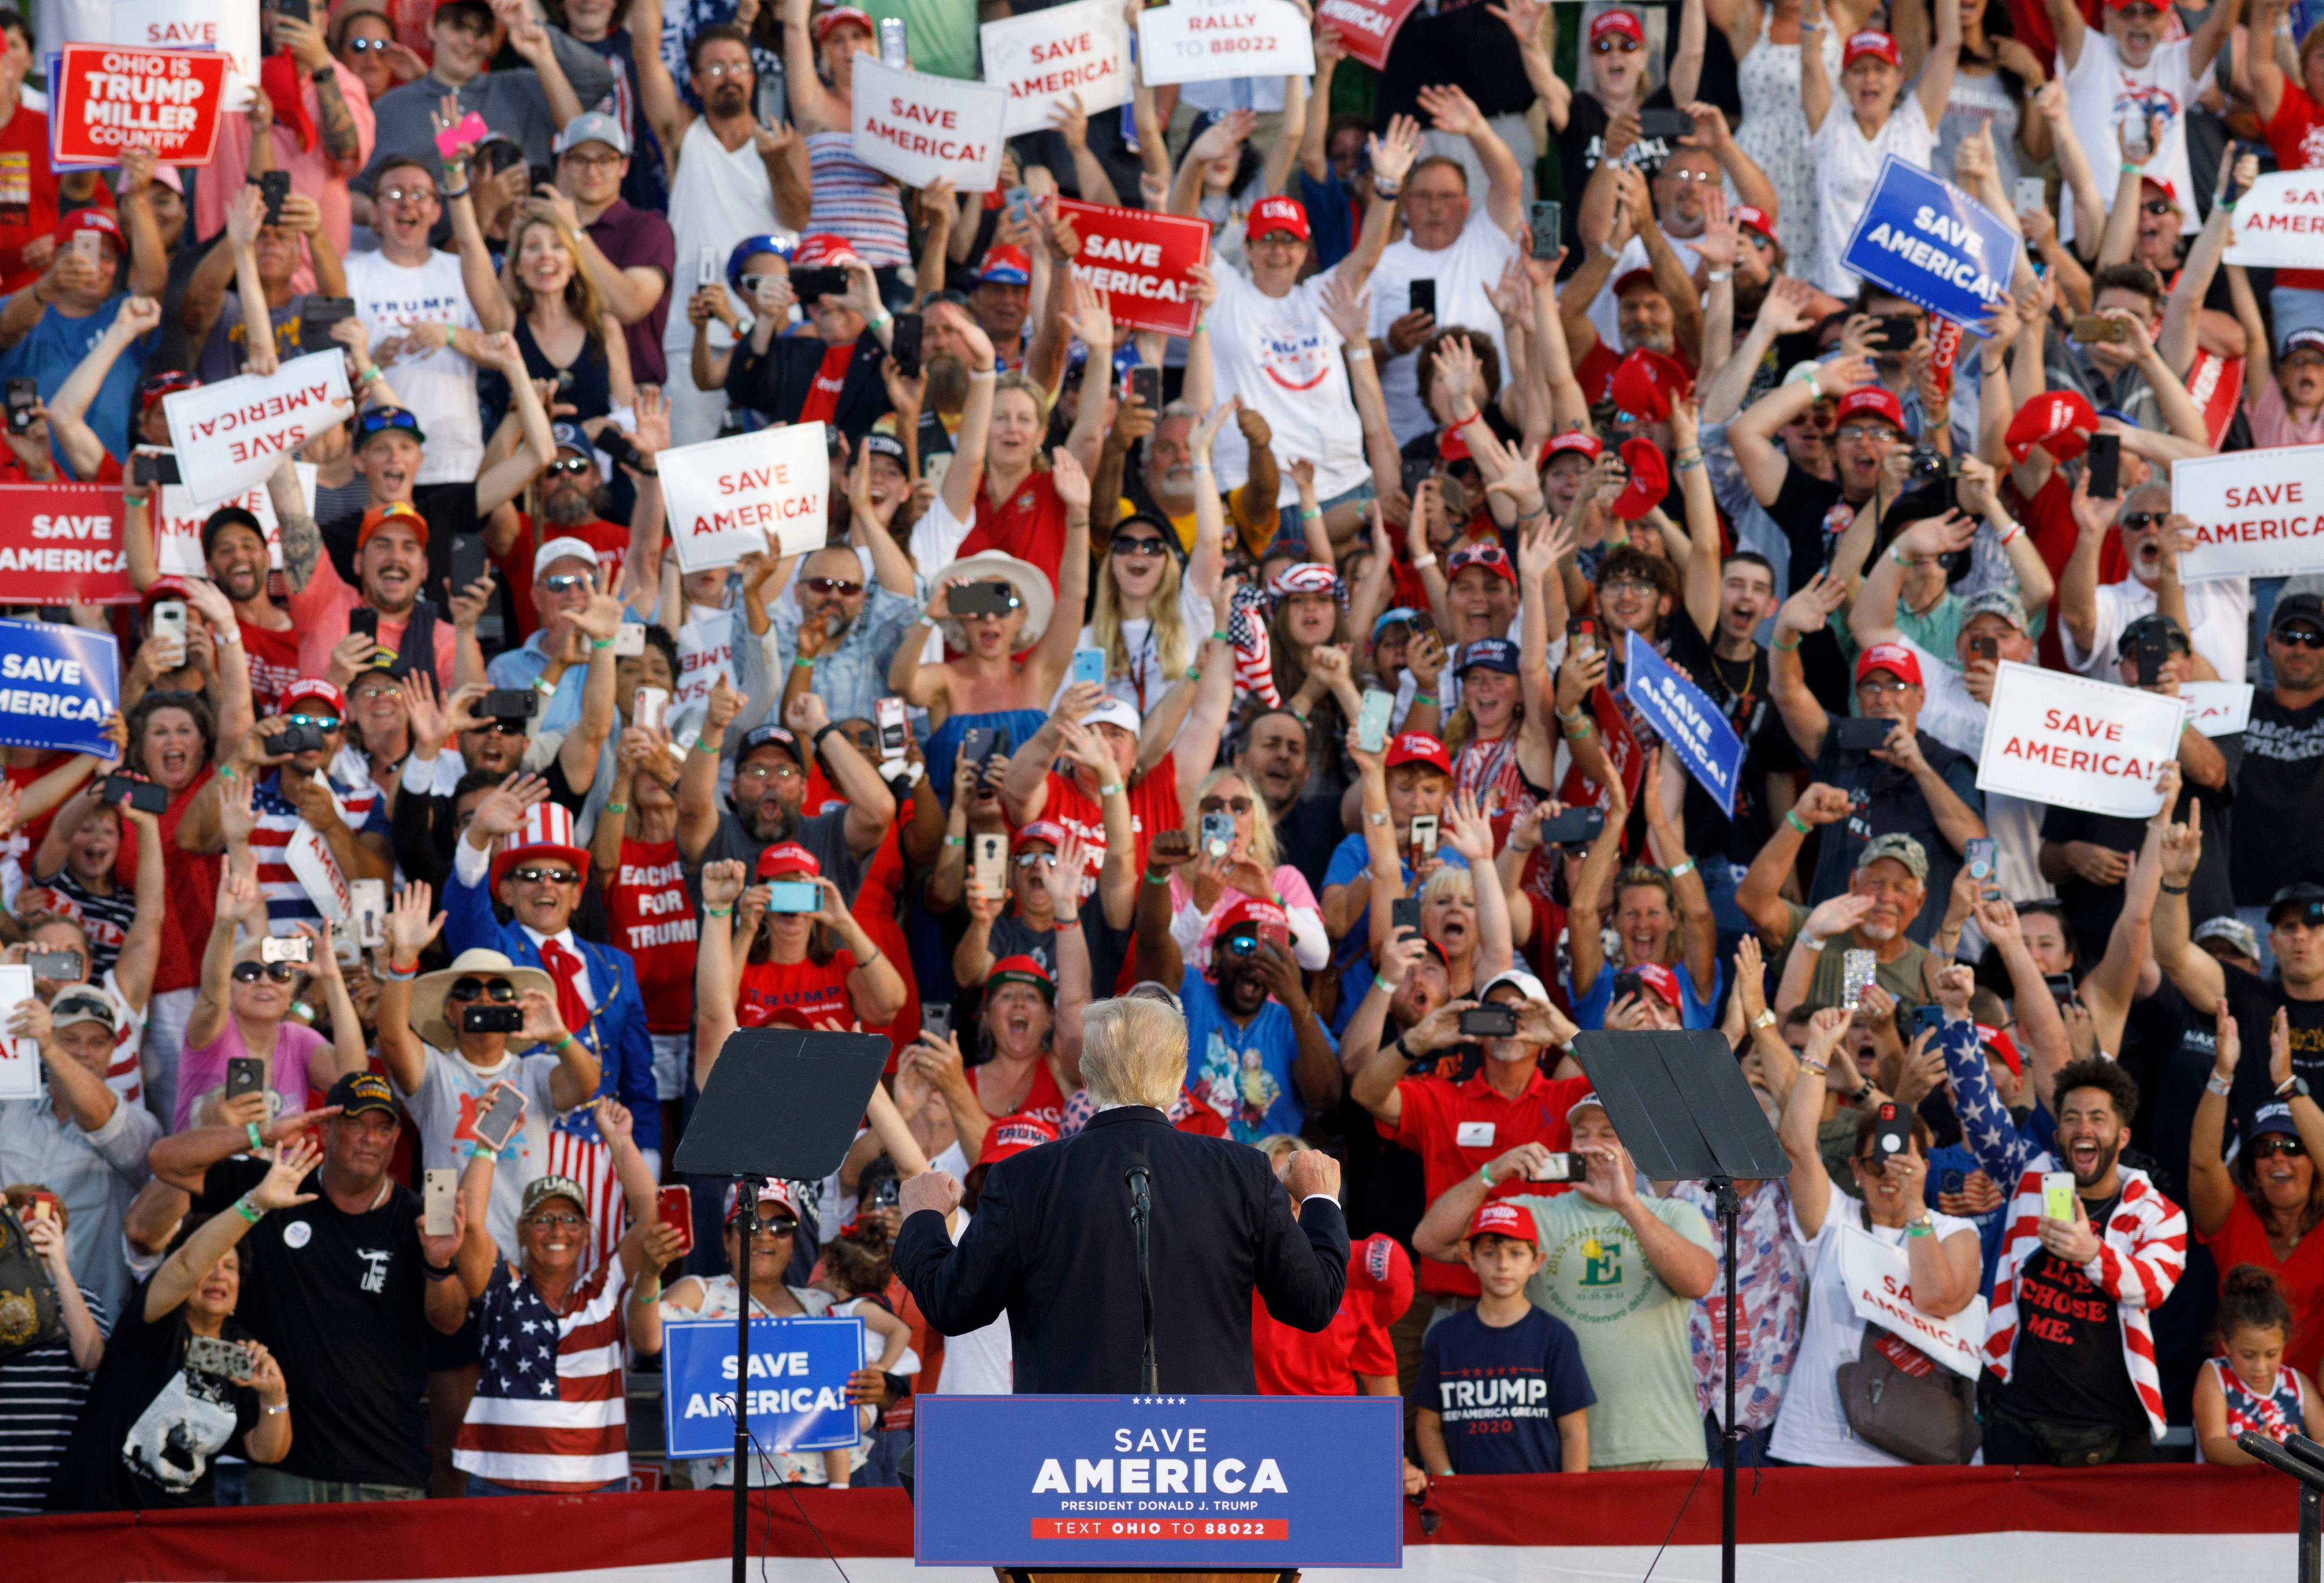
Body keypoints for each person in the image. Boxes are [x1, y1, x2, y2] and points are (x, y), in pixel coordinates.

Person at [892, 996, 1350, 1392]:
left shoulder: (1022, 1178)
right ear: (1179, 1075)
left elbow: (951, 1304)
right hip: (1209, 1460)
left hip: (1066, 1463)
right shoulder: (1242, 1171)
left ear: (1088, 1078)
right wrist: (1320, 1202)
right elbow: (1312, 1303)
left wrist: (924, 1219)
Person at [1935, 973, 2186, 1464]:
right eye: (2070, 1117)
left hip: (2112, 1435)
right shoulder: (2029, 1176)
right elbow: (1979, 1112)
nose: (2081, 1128)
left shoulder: (2157, 1212)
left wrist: (2089, 1251)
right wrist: (1954, 1016)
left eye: (2096, 1118)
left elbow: (2149, 1287)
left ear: (2122, 1134)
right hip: (2014, 1423)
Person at [1413, 1102, 1718, 1470]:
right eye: (1581, 1135)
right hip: (1563, 1452)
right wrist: (1493, 1173)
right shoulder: (1534, 1214)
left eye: (1608, 1135)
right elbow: (1431, 1242)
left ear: (1635, 1151)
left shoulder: (1672, 1213)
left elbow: (1699, 1281)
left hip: (1664, 1444)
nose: (1591, 1146)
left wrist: (1626, 1203)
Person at [46, 1141, 312, 1511]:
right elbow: (188, 1262)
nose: (219, 1275)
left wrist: (274, 1395)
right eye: (211, 1264)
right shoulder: (155, 1320)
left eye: (231, 1267)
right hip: (101, 1517)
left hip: (176, 1537)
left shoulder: (240, 1348)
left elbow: (265, 1451)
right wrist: (255, 1204)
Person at [1768, 1006, 1983, 1464]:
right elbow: (1795, 1145)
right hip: (1814, 1447)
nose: (1887, 1176)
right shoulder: (1834, 1218)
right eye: (1874, 1164)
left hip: (1910, 1453)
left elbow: (1936, 1298)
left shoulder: (1955, 1231)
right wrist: (1819, 1050)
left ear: (1925, 1166)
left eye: (1903, 1164)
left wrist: (1914, 1208)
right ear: (1855, 1170)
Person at [446, 1099, 678, 1495]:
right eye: (543, 1219)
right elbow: (468, 1228)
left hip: (596, 1488)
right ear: (522, 1232)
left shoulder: (604, 1291)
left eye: (571, 1219)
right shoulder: (504, 1287)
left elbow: (652, 1218)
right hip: (500, 1487)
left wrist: (620, 1141)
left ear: (588, 1233)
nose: (558, 1230)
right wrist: (487, 1143)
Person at [376, 881, 604, 1257]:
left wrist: (561, 1035)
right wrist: (403, 959)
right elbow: (392, 1039)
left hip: (526, 1255)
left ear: (515, 1007)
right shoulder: (432, 1069)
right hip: (450, 1249)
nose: (483, 998)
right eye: (467, 991)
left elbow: (587, 1084)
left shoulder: (535, 1072)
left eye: (498, 991)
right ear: (449, 1010)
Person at [0, 989, 161, 1324]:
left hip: (85, 1324)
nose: (83, 1052)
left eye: (98, 1043)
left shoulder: (139, 1126)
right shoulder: (9, 1107)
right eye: (69, 1039)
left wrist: (50, 1049)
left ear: (113, 1051)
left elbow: (98, 1115)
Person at [2191, 1008, 2324, 1384]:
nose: (2278, 1157)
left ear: (2314, 1161)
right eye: (2265, 1150)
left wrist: (2287, 1084)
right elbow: (2203, 1164)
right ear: (2253, 1170)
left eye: (2292, 1146)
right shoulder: (2233, 1217)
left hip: (2314, 1418)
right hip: (2233, 1413)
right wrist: (2221, 1075)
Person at [1414, 1200, 1595, 1475]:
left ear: (1536, 1262)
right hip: (1468, 1504)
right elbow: (1428, 1425)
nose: (1503, 1265)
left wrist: (1569, 1498)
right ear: (1470, 1258)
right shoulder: (1444, 1337)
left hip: (1538, 1501)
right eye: (1489, 1253)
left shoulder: (1556, 1337)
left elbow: (1574, 1432)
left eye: (1516, 1253)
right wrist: (1450, 1482)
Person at [0, 1189, 105, 1513]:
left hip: (61, 1489)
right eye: (22, 1223)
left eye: (48, 1224)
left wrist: (57, 1266)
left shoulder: (82, 1299)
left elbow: (91, 1359)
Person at [2194, 1265, 2324, 1463]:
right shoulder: (2215, 1374)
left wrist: (2304, 1451)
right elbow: (2213, 1445)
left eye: (2271, 1354)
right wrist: (2262, 1451)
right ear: (2226, 1344)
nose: (2260, 1367)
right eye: (2248, 1355)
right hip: (2226, 1492)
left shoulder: (2298, 1383)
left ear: (2284, 1343)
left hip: (2287, 1493)